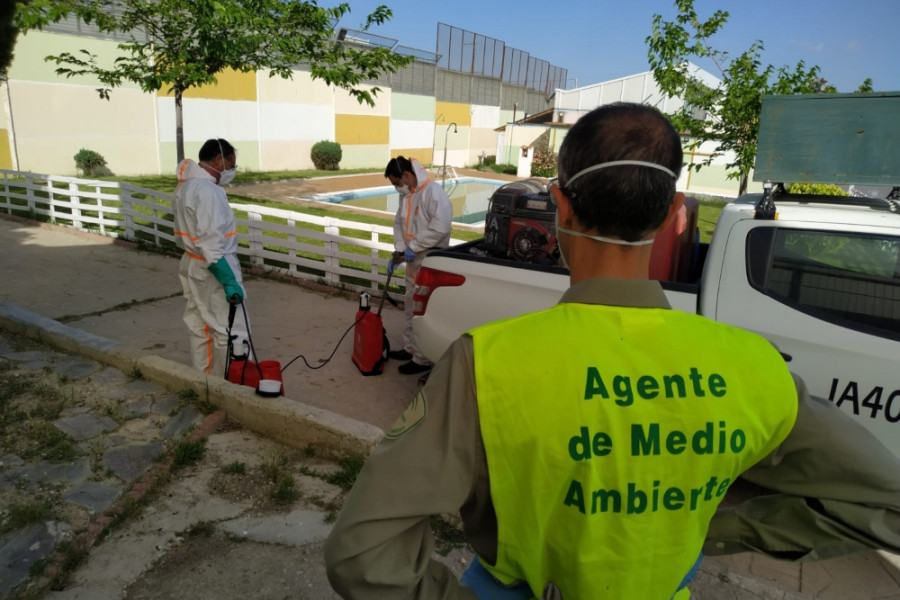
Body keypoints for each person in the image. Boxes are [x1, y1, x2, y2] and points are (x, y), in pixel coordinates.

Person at [324, 104, 900, 599]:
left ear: (560, 206)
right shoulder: (756, 366)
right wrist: (712, 533)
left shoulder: (489, 362)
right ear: (674, 210)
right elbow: (886, 505)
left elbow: (362, 551)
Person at [173, 138, 252, 377]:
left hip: (192, 263)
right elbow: (211, 244)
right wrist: (229, 281)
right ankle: (228, 387)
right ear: (219, 159)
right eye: (231, 164)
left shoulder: (185, 187)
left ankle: (204, 380)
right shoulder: (208, 192)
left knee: (199, 326)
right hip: (215, 268)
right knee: (229, 329)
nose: (231, 171)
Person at [384, 155, 452, 375]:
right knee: (410, 303)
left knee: (422, 309)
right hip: (413, 260)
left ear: (406, 175)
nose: (396, 188)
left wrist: (415, 245)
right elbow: (399, 223)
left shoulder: (433, 192)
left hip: (429, 260)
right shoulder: (408, 195)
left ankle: (422, 360)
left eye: (396, 182)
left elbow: (440, 227)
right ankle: (410, 348)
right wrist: (400, 248)